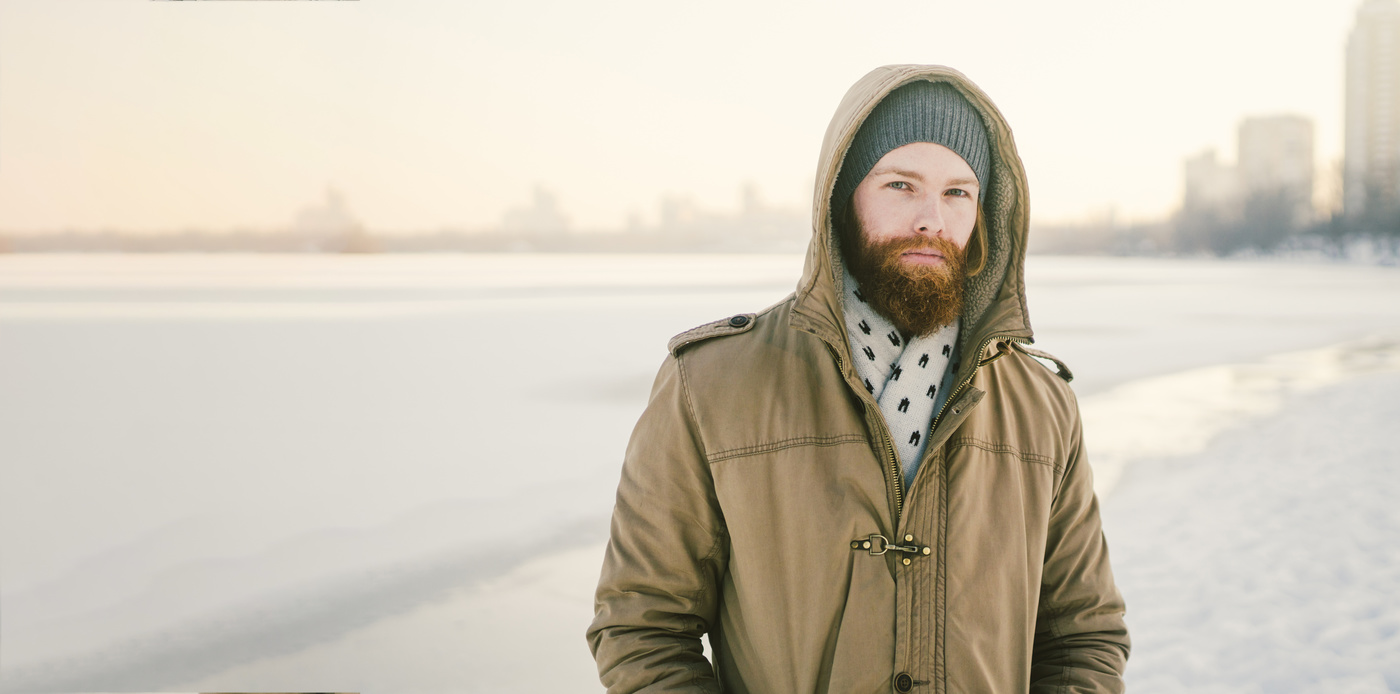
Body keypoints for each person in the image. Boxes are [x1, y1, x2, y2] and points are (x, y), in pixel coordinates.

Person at [587, 64, 1130, 693]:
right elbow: (641, 626)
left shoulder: (1041, 405)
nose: (932, 218)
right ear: (841, 196)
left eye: (959, 192)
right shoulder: (713, 384)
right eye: (901, 184)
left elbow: (1083, 636)